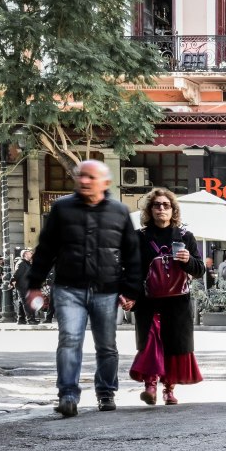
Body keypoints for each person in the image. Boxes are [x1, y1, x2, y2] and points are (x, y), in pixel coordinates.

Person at [27, 160, 142, 417]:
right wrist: (34, 285)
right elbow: (45, 249)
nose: (84, 181)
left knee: (107, 345)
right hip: (68, 288)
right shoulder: (61, 208)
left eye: (90, 177)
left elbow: (132, 256)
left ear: (105, 183)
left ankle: (106, 391)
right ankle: (68, 394)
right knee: (69, 340)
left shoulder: (119, 211)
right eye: (81, 176)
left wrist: (131, 291)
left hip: (107, 290)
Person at [129, 188, 204, 405]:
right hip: (148, 300)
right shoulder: (139, 237)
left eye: (166, 205)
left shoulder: (185, 237)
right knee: (151, 342)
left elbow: (199, 270)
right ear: (150, 210)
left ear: (173, 210)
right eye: (156, 205)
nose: (161, 208)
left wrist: (188, 260)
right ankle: (150, 386)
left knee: (173, 344)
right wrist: (129, 296)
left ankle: (168, 389)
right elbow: (132, 270)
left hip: (177, 301)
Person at [12, 249, 37, 325]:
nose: (31, 255)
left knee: (21, 302)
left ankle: (21, 319)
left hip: (27, 285)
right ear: (25, 255)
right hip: (23, 286)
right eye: (30, 254)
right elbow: (17, 274)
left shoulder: (27, 263)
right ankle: (30, 319)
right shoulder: (21, 263)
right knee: (26, 303)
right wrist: (11, 281)